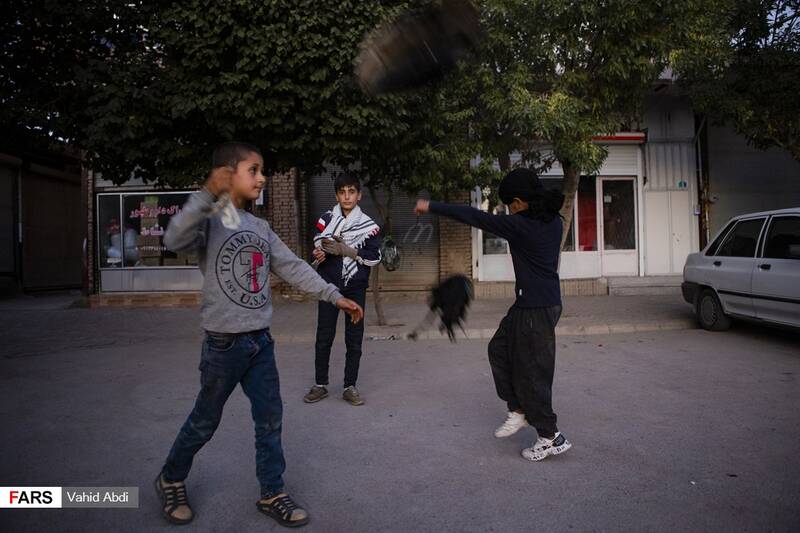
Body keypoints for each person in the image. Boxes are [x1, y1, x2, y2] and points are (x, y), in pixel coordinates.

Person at [155, 141, 364, 527]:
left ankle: (272, 492)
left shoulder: (260, 228)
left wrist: (336, 297)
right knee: (205, 420)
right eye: (253, 170)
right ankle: (171, 476)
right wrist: (206, 192)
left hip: (260, 343)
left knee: (270, 418)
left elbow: (294, 267)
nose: (262, 176)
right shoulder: (209, 221)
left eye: (262, 170)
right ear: (226, 173)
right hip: (222, 345)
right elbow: (174, 240)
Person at [414, 167, 571, 462]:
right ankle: (519, 410)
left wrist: (431, 205)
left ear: (519, 201)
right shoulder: (551, 220)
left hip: (535, 308)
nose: (508, 210)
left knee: (532, 372)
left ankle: (550, 436)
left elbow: (475, 217)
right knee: (498, 349)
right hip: (535, 304)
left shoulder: (521, 225)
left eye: (509, 204)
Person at [303, 173, 381, 406]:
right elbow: (315, 252)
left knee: (354, 339)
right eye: (342, 192)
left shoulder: (369, 226)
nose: (346, 196)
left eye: (351, 191)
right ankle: (320, 385)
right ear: (337, 195)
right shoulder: (325, 220)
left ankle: (350, 386)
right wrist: (317, 255)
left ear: (359, 195)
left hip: (355, 287)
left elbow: (374, 258)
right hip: (328, 287)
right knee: (323, 336)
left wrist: (347, 251)